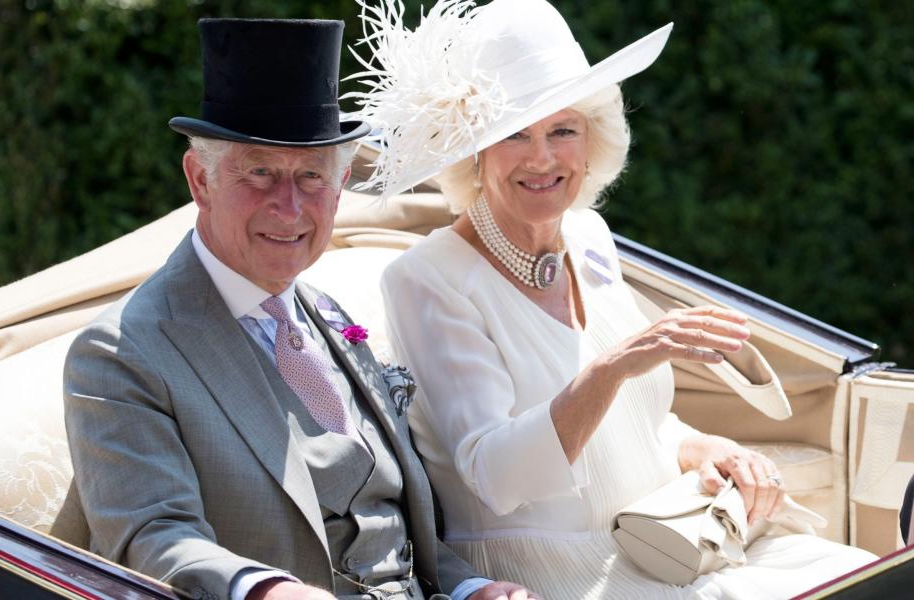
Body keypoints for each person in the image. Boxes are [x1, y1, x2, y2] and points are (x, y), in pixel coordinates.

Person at [349, 0, 878, 597]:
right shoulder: (427, 279)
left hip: (671, 540)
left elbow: (636, 421)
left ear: (592, 138)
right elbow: (494, 474)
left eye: (562, 130)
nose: (542, 157)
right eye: (513, 134)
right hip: (560, 572)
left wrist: (702, 448)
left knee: (863, 574)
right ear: (473, 153)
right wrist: (616, 363)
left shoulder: (587, 235)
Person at [63, 18, 537, 600]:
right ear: (200, 180)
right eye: (260, 171)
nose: (289, 208)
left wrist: (474, 590)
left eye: (312, 176)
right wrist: (266, 592)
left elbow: (395, 530)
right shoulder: (121, 351)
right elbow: (150, 538)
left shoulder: (331, 318)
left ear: (338, 192)